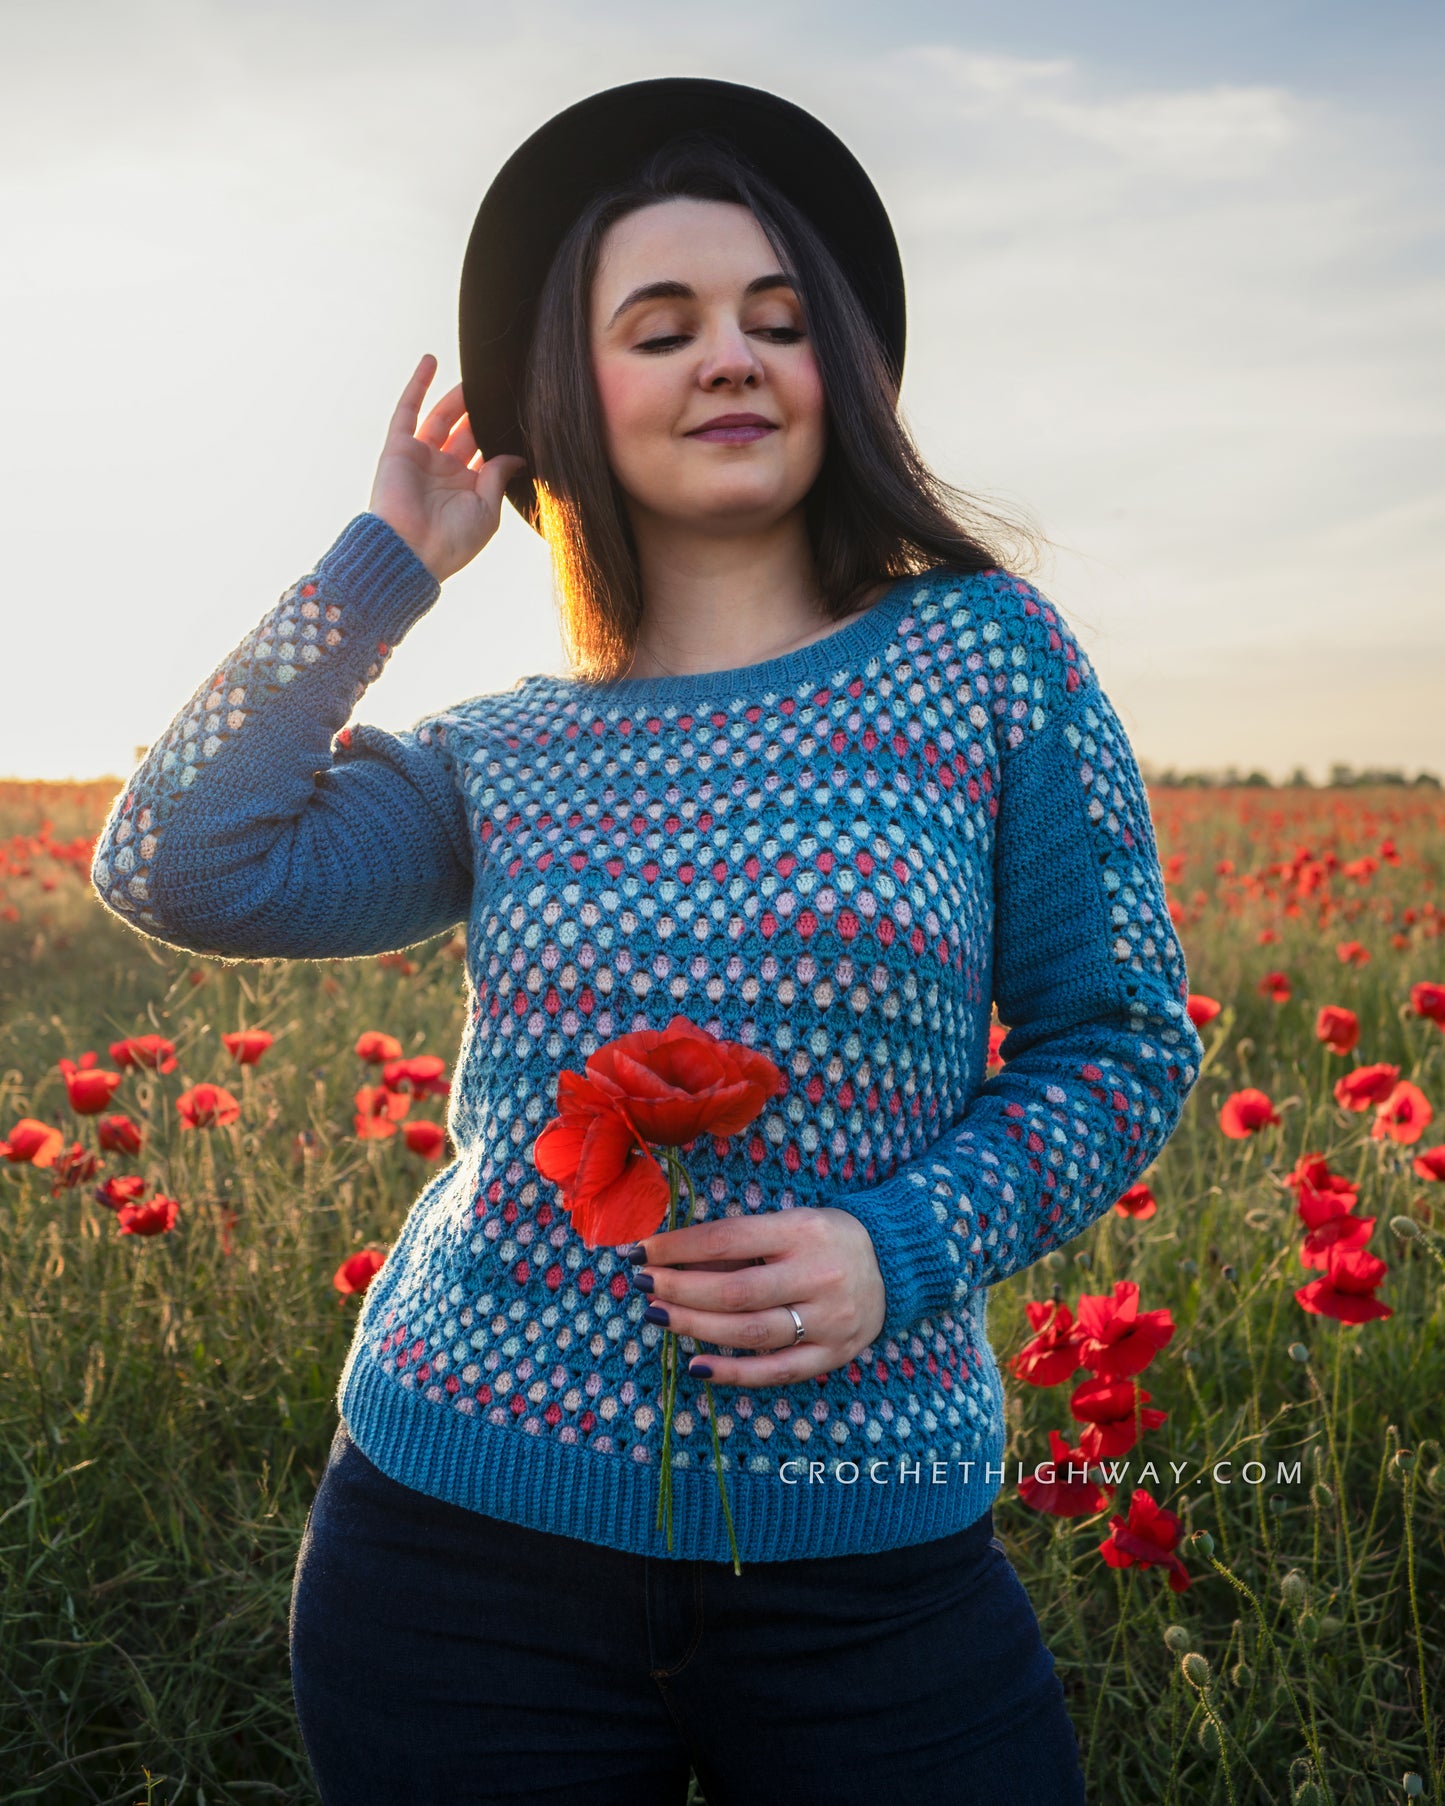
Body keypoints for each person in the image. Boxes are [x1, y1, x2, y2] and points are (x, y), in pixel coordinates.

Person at [91, 77, 1202, 1806]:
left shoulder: (987, 660)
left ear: (839, 367)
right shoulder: (504, 750)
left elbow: (1122, 1035)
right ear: (571, 392)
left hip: (870, 1558)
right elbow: (176, 858)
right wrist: (391, 559)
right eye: (659, 324)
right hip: (458, 1547)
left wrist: (894, 1247)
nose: (730, 357)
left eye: (777, 318)